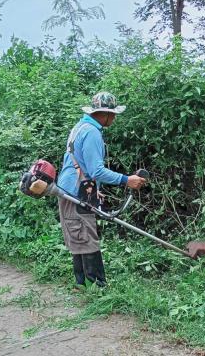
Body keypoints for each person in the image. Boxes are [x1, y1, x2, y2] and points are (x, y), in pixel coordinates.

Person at [57, 92, 146, 288]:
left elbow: (80, 164)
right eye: (112, 114)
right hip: (75, 192)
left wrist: (93, 189)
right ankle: (98, 288)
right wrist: (126, 180)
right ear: (104, 114)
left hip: (72, 189)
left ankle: (82, 285)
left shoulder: (80, 126)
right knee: (86, 238)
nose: (114, 118)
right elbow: (96, 170)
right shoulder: (92, 132)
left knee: (78, 236)